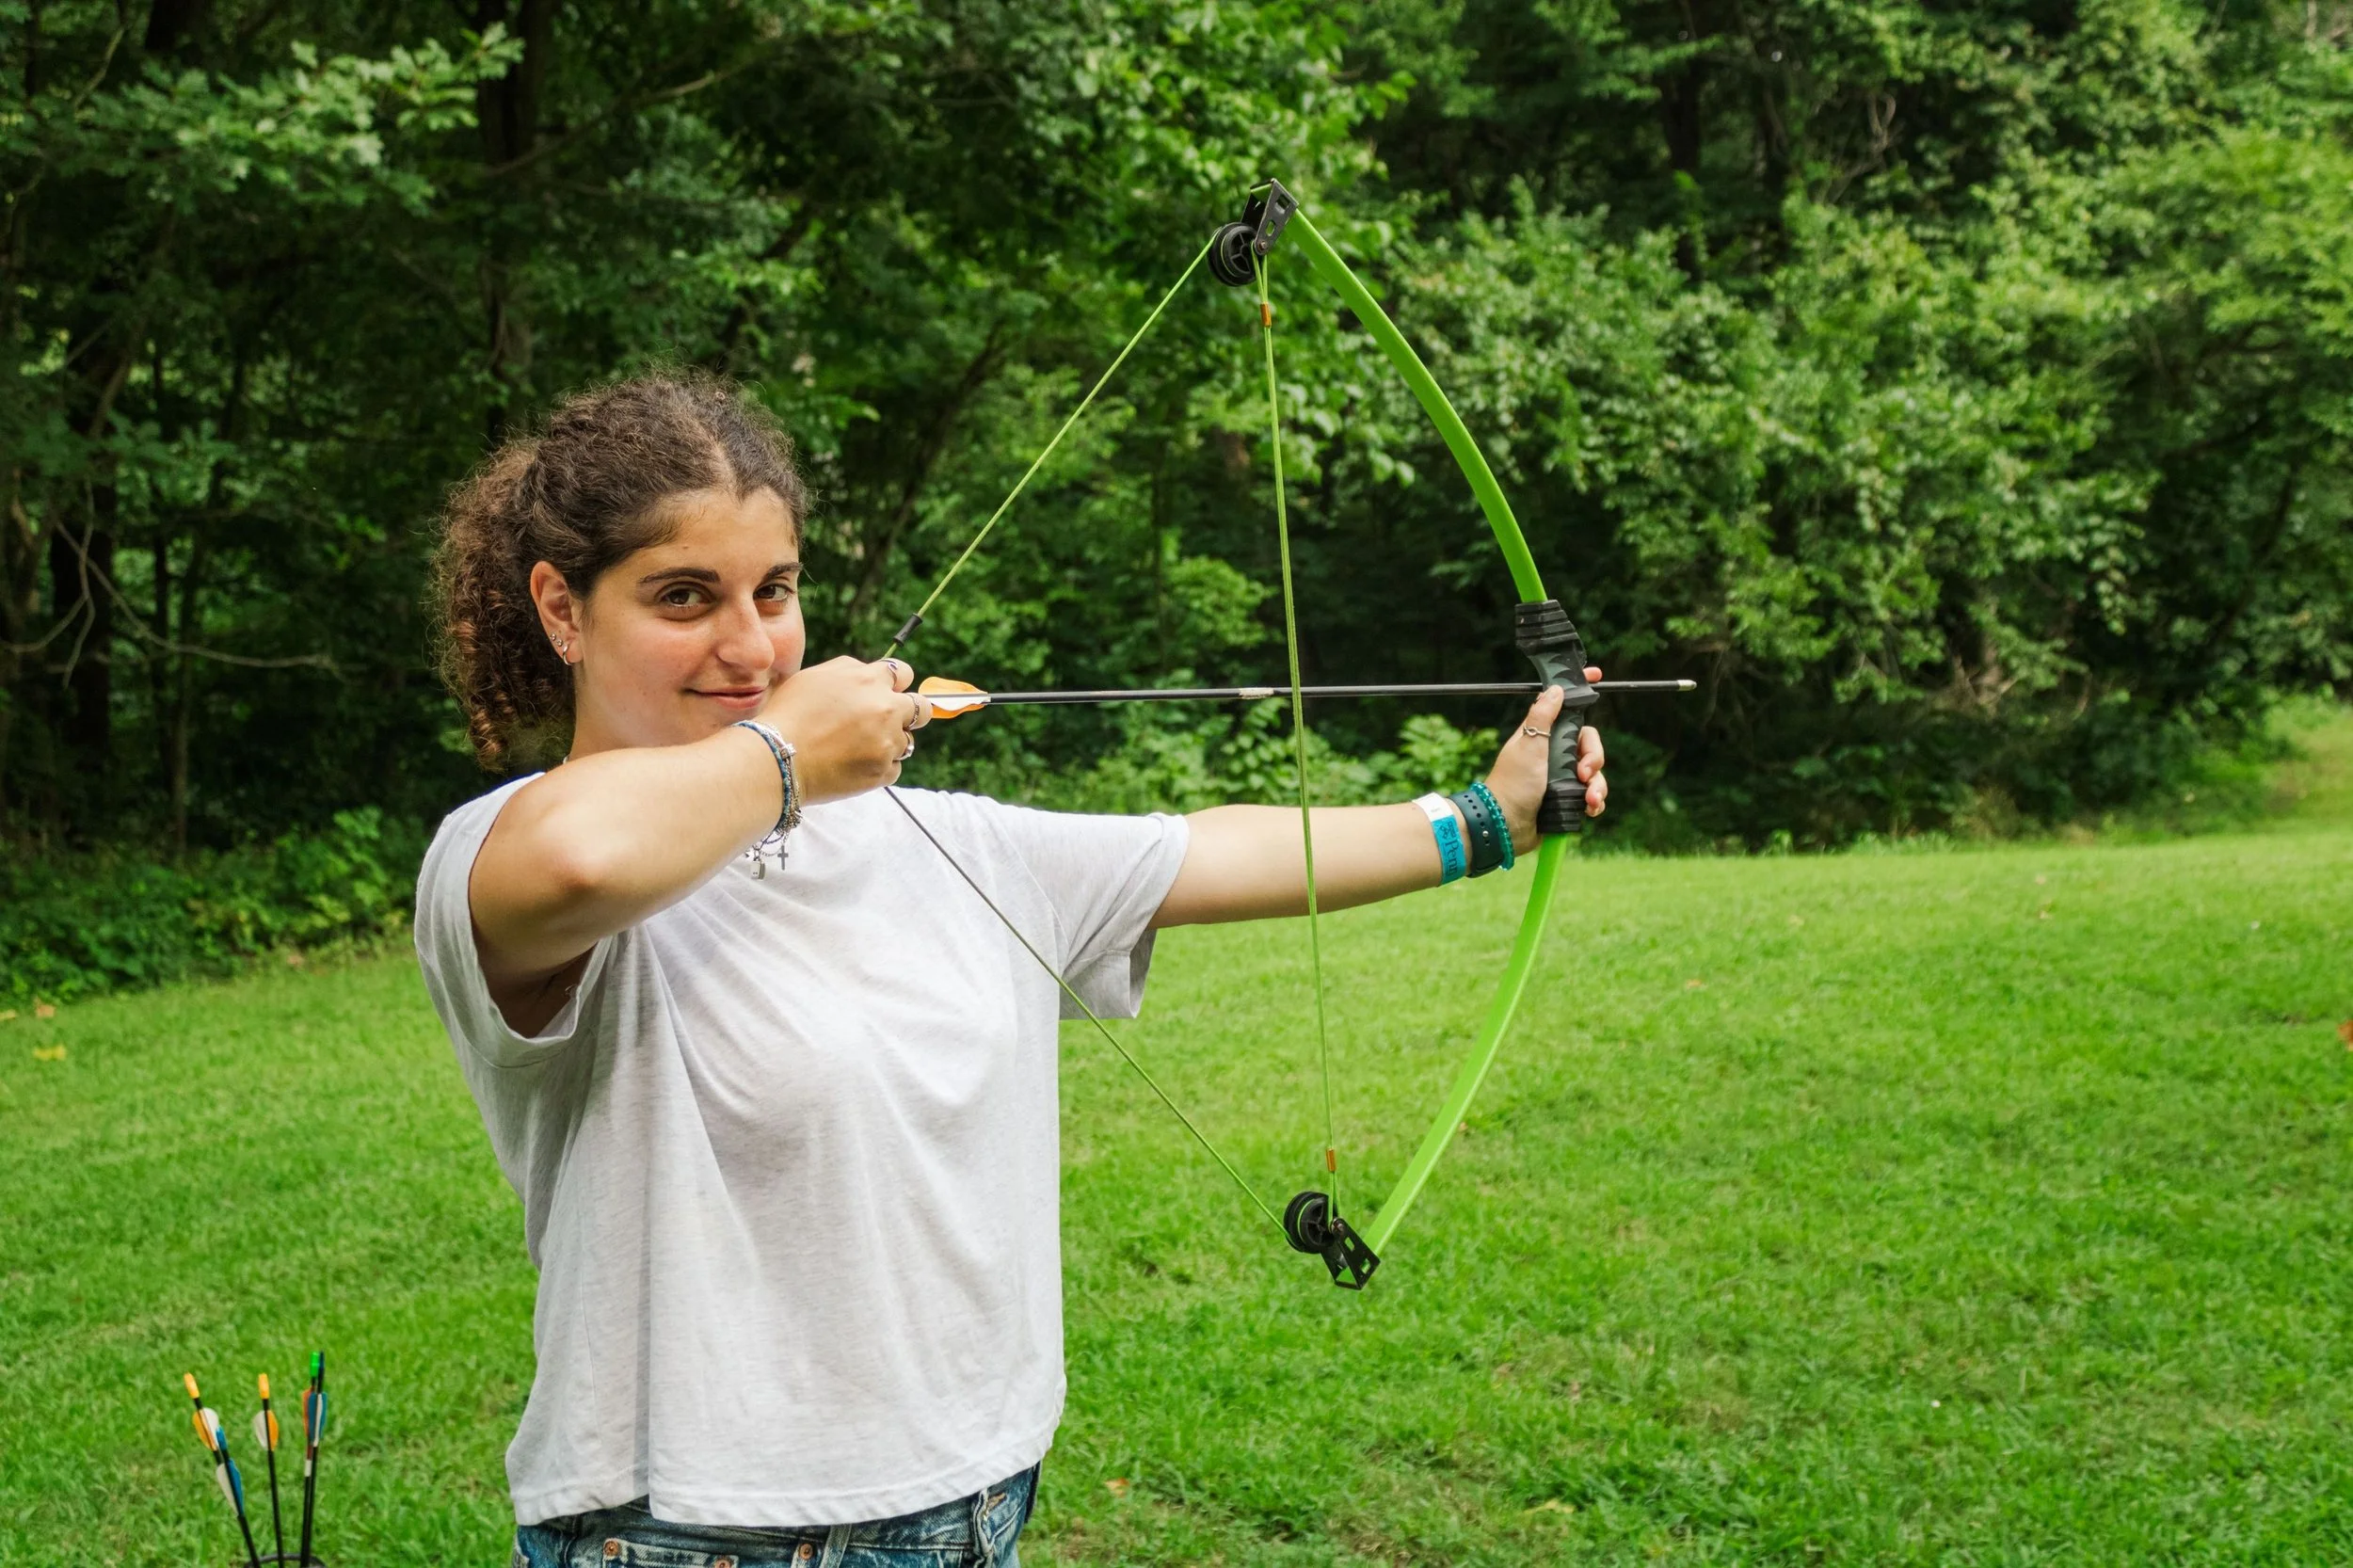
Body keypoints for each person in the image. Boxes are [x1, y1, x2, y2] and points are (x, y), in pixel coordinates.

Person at [415, 373, 1608, 1567]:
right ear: (562, 609)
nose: (749, 643)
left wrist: (1485, 817)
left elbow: (1202, 851)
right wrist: (787, 747)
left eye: (773, 592)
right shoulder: (502, 853)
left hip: (975, 1500)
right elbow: (579, 861)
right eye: (684, 597)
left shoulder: (938, 840)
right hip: (695, 1530)